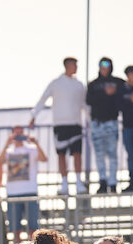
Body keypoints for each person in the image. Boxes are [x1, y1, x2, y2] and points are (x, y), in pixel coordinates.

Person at [30, 57, 87, 195]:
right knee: (61, 154)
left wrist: (90, 120)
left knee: (77, 153)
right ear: (67, 66)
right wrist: (33, 116)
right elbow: (43, 99)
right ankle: (64, 183)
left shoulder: (79, 85)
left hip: (76, 124)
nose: (76, 67)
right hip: (60, 124)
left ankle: (79, 182)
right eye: (74, 65)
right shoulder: (55, 83)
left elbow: (85, 104)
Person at [2, 126, 48, 244]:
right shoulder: (8, 151)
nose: (19, 137)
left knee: (32, 227)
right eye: (16, 134)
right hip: (13, 193)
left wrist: (36, 143)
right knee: (15, 228)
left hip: (30, 191)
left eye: (21, 133)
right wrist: (6, 144)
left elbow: (44, 158)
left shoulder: (32, 149)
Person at [86, 57, 124, 192]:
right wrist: (104, 93)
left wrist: (113, 94)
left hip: (111, 123)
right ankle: (102, 180)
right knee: (99, 154)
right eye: (102, 65)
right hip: (97, 123)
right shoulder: (93, 84)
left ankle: (113, 182)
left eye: (107, 65)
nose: (104, 67)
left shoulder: (118, 82)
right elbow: (89, 100)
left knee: (112, 153)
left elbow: (124, 96)